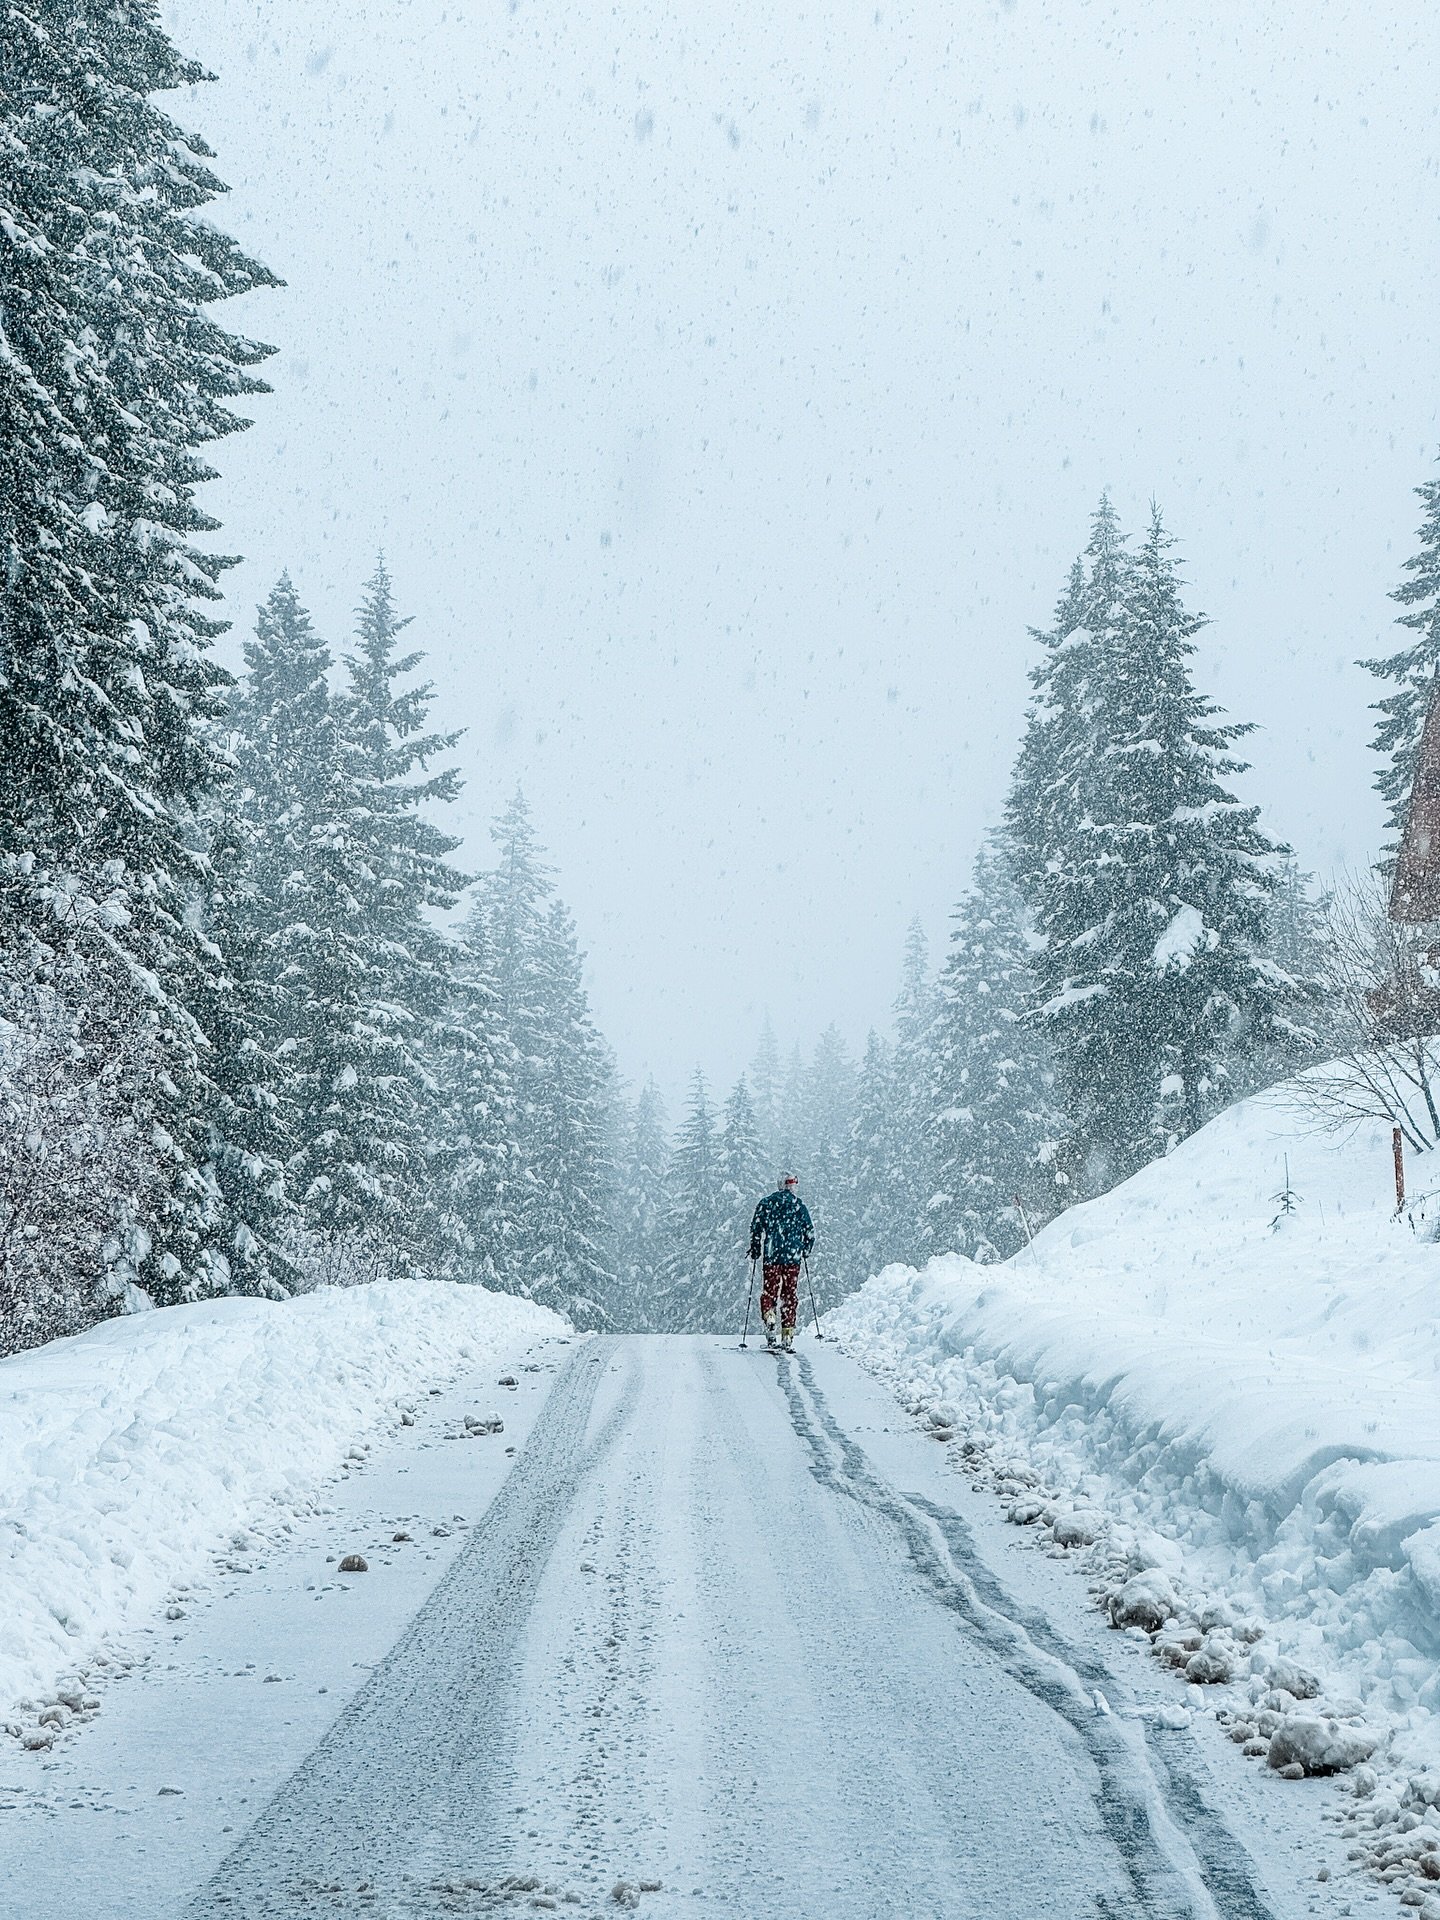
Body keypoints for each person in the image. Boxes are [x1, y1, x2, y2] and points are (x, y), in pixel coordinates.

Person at [748, 1174, 814, 1351]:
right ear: (792, 1186)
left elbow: (756, 1228)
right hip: (793, 1257)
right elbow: (809, 1231)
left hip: (772, 1255)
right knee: (789, 1294)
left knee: (769, 1292)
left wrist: (756, 1248)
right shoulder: (799, 1205)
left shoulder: (767, 1203)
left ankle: (770, 1318)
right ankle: (787, 1335)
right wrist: (805, 1250)